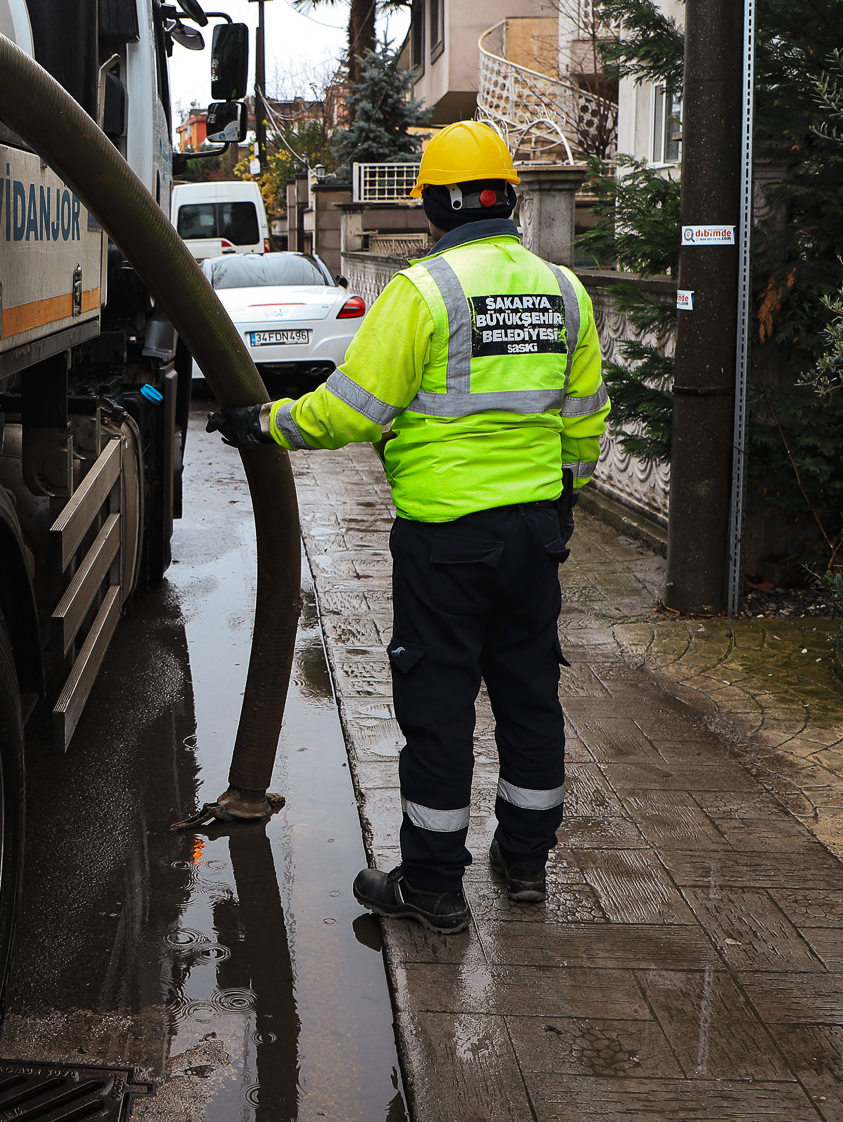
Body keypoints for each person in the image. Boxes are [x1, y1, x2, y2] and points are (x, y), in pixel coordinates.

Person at [208, 121, 609, 935]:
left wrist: (265, 422)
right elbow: (586, 420)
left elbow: (351, 408)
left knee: (439, 709)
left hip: (446, 543)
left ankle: (432, 886)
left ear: (432, 205)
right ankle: (525, 862)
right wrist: (559, 499)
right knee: (531, 698)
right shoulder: (565, 291)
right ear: (509, 200)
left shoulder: (422, 292)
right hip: (535, 535)